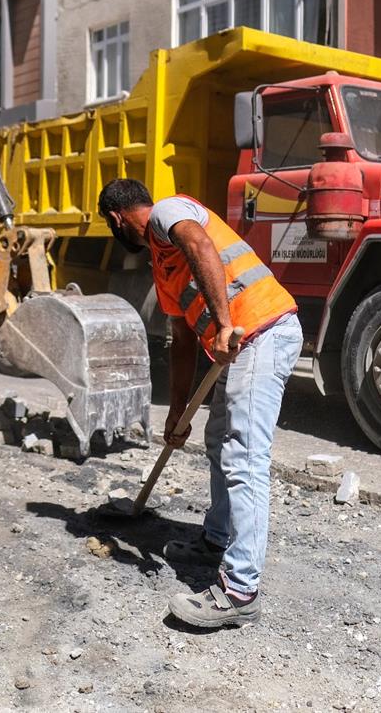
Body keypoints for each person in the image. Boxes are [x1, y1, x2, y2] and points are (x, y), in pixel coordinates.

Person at [97, 178, 302, 629]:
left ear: (116, 219)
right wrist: (177, 412)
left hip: (260, 331)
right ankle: (216, 539)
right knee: (217, 440)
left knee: (244, 456)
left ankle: (240, 592)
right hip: (240, 341)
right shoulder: (161, 263)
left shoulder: (170, 212)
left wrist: (225, 324)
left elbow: (202, 246)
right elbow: (184, 340)